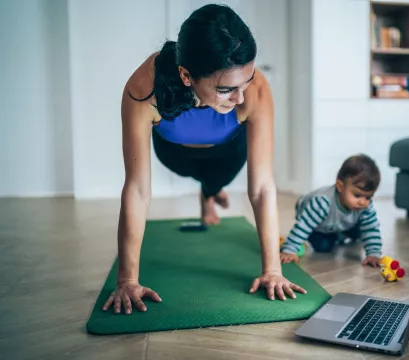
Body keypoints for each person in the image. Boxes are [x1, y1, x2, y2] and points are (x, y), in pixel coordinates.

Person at [102, 4, 306, 315]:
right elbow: (137, 190)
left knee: (216, 177)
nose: (240, 97)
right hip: (174, 151)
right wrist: (127, 279)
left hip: (227, 150)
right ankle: (209, 191)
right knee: (194, 172)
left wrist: (273, 270)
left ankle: (210, 193)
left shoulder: (255, 90)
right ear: (186, 75)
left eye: (246, 82)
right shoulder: (144, 87)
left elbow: (263, 187)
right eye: (226, 89)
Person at [280, 154, 383, 267]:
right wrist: (290, 249)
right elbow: (303, 226)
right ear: (340, 186)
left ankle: (339, 232)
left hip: (338, 221)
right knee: (323, 246)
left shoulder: (365, 206)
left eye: (368, 197)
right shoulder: (322, 202)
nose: (363, 202)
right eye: (357, 195)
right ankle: (336, 234)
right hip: (312, 216)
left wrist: (374, 253)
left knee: (361, 231)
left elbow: (371, 228)